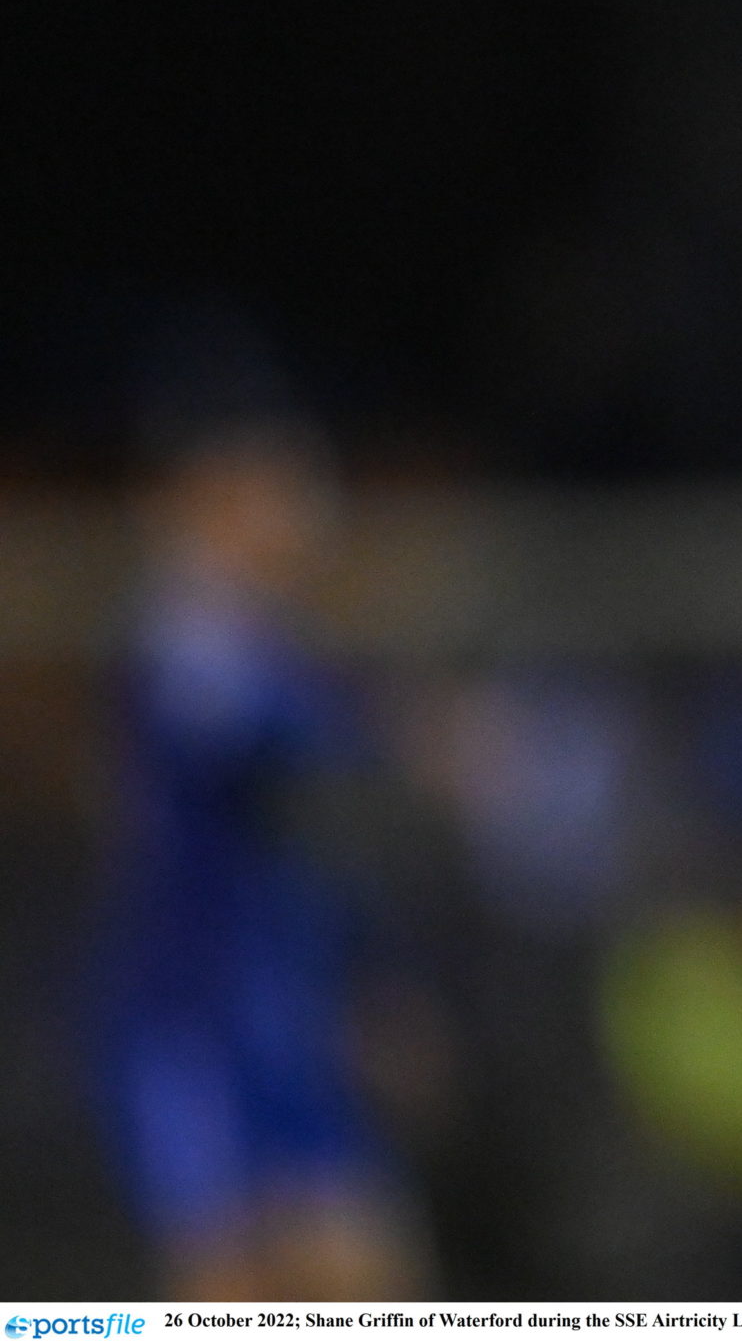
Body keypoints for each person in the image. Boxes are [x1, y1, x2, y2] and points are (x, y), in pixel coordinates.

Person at [93, 426, 423, 1298]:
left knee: (362, 1274)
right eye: (276, 505)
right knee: (229, 1286)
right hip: (193, 1011)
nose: (303, 528)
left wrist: (375, 978)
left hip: (289, 1006)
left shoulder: (281, 646)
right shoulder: (188, 637)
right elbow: (250, 733)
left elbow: (337, 840)